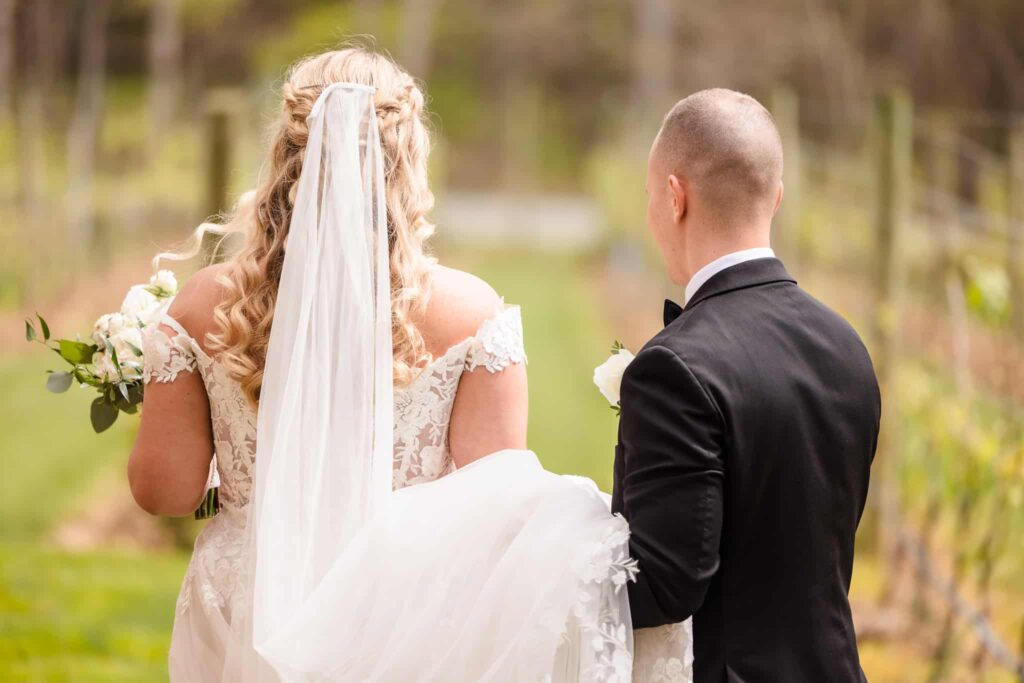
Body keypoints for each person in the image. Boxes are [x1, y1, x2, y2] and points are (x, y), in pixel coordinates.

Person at [128, 47, 640, 682]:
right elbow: (496, 504)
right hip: (401, 609)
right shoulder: (470, 310)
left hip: (246, 597)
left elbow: (165, 492)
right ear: (407, 163)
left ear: (287, 159)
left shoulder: (206, 303)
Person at [613, 88, 881, 683]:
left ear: (676, 197)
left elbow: (664, 583)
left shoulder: (673, 368)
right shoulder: (848, 348)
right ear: (776, 198)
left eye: (651, 197)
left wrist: (555, 562)